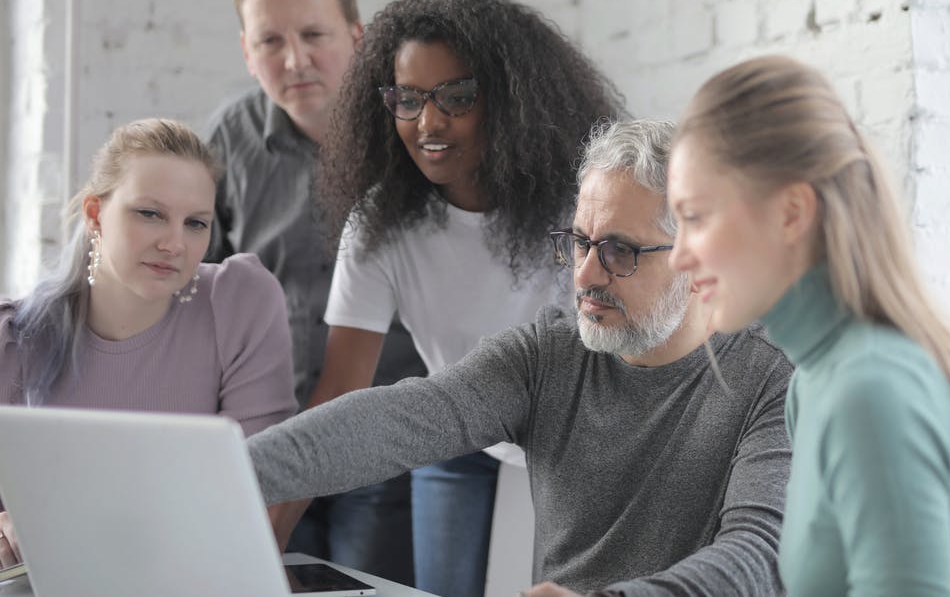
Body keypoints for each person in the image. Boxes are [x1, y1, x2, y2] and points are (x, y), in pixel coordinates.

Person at [249, 120, 792, 596]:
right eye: (580, 242)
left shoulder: (772, 380)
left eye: (619, 251)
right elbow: (397, 420)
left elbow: (759, 553)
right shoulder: (546, 355)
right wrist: (232, 470)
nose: (584, 275)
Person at [667, 55, 950, 596]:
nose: (678, 255)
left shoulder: (870, 390)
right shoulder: (813, 383)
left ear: (792, 212)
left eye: (695, 217)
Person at [310, 0, 625, 596]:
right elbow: (337, 396)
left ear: (511, 102)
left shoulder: (581, 206)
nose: (428, 122)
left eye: (457, 97)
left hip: (574, 448)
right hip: (456, 440)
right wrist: (259, 530)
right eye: (408, 98)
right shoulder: (380, 227)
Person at [205, 0, 426, 583]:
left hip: (386, 451)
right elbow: (193, 296)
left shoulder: (413, 135)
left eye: (313, 34)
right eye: (270, 41)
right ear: (248, 53)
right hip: (264, 448)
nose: (295, 60)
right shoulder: (227, 140)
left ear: (357, 38)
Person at [0, 118, 296, 569]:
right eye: (150, 213)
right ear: (96, 215)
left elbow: (258, 500)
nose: (175, 243)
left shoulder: (240, 303)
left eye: (196, 223)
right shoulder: (15, 340)